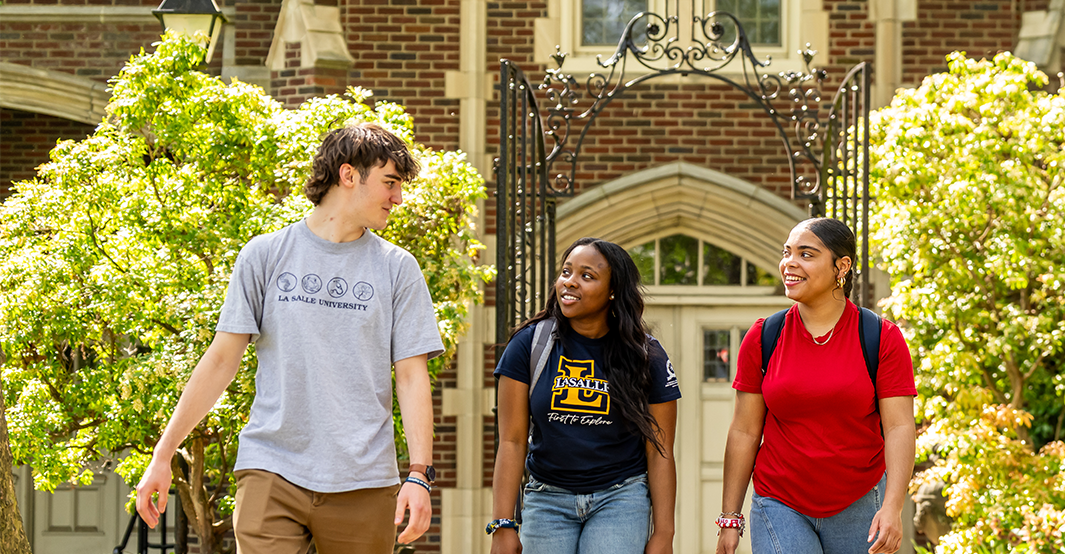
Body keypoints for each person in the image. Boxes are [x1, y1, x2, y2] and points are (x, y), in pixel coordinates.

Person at [134, 123, 444, 553]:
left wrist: (419, 474)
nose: (399, 198)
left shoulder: (397, 268)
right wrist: (164, 453)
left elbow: (411, 377)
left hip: (364, 480)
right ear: (348, 175)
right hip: (272, 469)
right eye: (390, 183)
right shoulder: (265, 255)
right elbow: (221, 359)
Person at [715, 218, 917, 554]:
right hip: (779, 502)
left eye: (806, 254)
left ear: (842, 266)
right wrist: (730, 518)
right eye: (787, 253)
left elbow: (899, 427)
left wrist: (893, 507)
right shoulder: (764, 337)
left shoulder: (881, 337)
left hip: (861, 504)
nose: (789, 263)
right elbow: (744, 431)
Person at [489, 237, 681, 554]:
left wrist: (664, 533)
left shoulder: (646, 356)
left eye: (586, 275)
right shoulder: (529, 345)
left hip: (620, 498)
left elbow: (659, 451)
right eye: (566, 272)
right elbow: (512, 441)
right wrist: (502, 524)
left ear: (613, 291)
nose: (570, 282)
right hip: (547, 499)